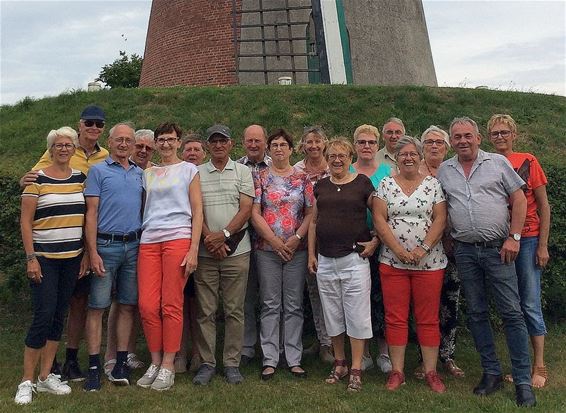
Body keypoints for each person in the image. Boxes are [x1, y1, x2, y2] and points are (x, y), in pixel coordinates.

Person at [437, 117, 536, 407]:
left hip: (498, 249)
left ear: (479, 138)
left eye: (468, 135)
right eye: (457, 137)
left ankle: (522, 381)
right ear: (451, 142)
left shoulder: (497, 163)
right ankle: (491, 372)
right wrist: (446, 237)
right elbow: (442, 206)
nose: (463, 141)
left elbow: (519, 199)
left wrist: (514, 236)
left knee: (511, 313)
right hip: (465, 251)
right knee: (478, 313)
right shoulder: (445, 169)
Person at [19, 105, 108, 382]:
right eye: (89, 123)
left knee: (77, 302)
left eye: (99, 124)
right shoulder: (59, 148)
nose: (93, 128)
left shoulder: (104, 156)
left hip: (80, 242)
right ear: (80, 125)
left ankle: (68, 359)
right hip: (49, 247)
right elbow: (34, 179)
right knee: (49, 308)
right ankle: (43, 368)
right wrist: (24, 179)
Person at [15, 127, 89, 405]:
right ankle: (26, 380)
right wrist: (30, 257)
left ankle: (46, 377)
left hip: (71, 258)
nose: (63, 149)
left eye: (68, 145)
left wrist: (84, 254)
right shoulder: (36, 179)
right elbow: (25, 222)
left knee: (59, 316)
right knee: (42, 316)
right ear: (50, 149)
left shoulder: (81, 178)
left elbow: (85, 218)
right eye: (58, 145)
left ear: (73, 149)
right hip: (44, 259)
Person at [373, 136, 448, 393]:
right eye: (403, 154)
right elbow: (380, 219)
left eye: (413, 154)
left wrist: (421, 248)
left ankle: (431, 372)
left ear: (420, 157)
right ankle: (397, 371)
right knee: (395, 318)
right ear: (396, 158)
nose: (408, 157)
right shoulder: (385, 185)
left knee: (428, 319)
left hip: (430, 262)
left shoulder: (433, 185)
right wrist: (398, 250)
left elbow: (440, 219)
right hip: (393, 263)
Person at [136, 122, 203, 391]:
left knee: (171, 304)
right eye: (161, 139)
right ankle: (154, 360)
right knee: (148, 305)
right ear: (156, 143)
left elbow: (197, 210)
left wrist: (194, 249)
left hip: (178, 238)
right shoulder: (147, 173)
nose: (165, 144)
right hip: (150, 240)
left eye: (170, 139)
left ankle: (168, 364)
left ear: (178, 142)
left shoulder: (189, 169)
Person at [307, 139, 378, 392]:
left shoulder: (362, 183)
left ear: (350, 157)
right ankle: (340, 362)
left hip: (354, 260)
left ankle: (356, 367)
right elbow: (314, 222)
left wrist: (376, 240)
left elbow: (379, 214)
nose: (337, 160)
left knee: (357, 315)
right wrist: (311, 255)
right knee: (333, 315)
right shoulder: (321, 185)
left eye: (342, 155)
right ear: (327, 157)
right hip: (325, 260)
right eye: (333, 155)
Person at [488, 114, 550, 388]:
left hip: (527, 239)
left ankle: (540, 365)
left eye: (505, 132)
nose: (500, 137)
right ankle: (520, 364)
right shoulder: (489, 162)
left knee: (530, 302)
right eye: (495, 133)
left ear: (514, 134)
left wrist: (543, 245)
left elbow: (543, 206)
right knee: (510, 305)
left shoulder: (528, 161)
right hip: (500, 239)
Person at [83, 123, 144, 392]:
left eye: (128, 140)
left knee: (128, 305)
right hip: (106, 245)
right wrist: (92, 250)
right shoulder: (98, 171)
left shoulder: (141, 174)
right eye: (118, 139)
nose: (123, 144)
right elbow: (91, 213)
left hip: (134, 245)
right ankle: (95, 365)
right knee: (97, 307)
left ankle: (120, 361)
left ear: (133, 144)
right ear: (110, 142)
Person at [192, 124, 254, 386]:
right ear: (208, 146)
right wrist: (209, 238)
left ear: (231, 145)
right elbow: (196, 209)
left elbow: (246, 207)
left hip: (237, 250)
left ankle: (231, 362)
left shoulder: (243, 171)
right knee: (205, 310)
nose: (218, 145)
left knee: (234, 310)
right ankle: (207, 362)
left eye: (223, 141)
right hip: (206, 252)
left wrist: (226, 235)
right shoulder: (196, 173)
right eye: (213, 141)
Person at [251, 129, 313, 380]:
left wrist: (296, 238)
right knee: (269, 304)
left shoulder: (303, 179)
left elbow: (310, 213)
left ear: (291, 149)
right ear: (269, 149)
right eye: (274, 145)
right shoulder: (260, 177)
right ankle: (270, 358)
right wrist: (275, 241)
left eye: (283, 145)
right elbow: (255, 212)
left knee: (294, 304)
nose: (278, 149)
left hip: (295, 250)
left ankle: (294, 358)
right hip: (267, 249)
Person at [412, 126, 465, 379]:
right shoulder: (414, 171)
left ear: (446, 147)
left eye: (439, 142)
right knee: (425, 306)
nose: (434, 146)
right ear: (423, 146)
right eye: (429, 142)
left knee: (450, 302)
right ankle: (424, 357)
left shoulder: (453, 171)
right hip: (420, 249)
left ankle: (447, 354)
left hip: (451, 247)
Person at [103, 128, 155, 378]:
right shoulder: (116, 167)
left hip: (144, 242)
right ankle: (111, 355)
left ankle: (129, 351)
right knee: (117, 301)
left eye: (148, 147)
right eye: (140, 146)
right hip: (121, 241)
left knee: (131, 300)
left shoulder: (151, 172)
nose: (143, 151)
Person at [350, 124, 392, 374]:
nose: (367, 146)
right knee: (360, 300)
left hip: (384, 243)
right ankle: (363, 352)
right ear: (355, 145)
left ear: (378, 146)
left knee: (384, 298)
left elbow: (391, 208)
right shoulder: (348, 171)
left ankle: (384, 352)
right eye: (362, 142)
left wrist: (378, 238)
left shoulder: (387, 172)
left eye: (371, 142)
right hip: (355, 243)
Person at [294, 126, 334, 364]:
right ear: (303, 145)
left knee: (330, 292)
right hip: (304, 235)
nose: (313, 146)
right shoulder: (297, 170)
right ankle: (322, 340)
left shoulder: (333, 167)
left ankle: (330, 343)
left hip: (330, 235)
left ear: (324, 143)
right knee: (313, 292)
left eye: (318, 141)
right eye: (309, 142)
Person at [237, 124, 272, 366]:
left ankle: (272, 346)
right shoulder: (236, 168)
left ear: (265, 142)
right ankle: (248, 346)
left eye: (257, 141)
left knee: (271, 298)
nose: (253, 145)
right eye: (249, 141)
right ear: (243, 143)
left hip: (270, 241)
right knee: (246, 297)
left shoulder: (276, 166)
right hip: (242, 240)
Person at [175, 133, 207, 374]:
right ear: (182, 152)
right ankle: (180, 351)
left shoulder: (205, 174)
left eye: (197, 149)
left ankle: (198, 351)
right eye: (189, 149)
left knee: (198, 305)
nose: (193, 153)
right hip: (178, 245)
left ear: (203, 154)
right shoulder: (175, 173)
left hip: (203, 250)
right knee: (180, 303)